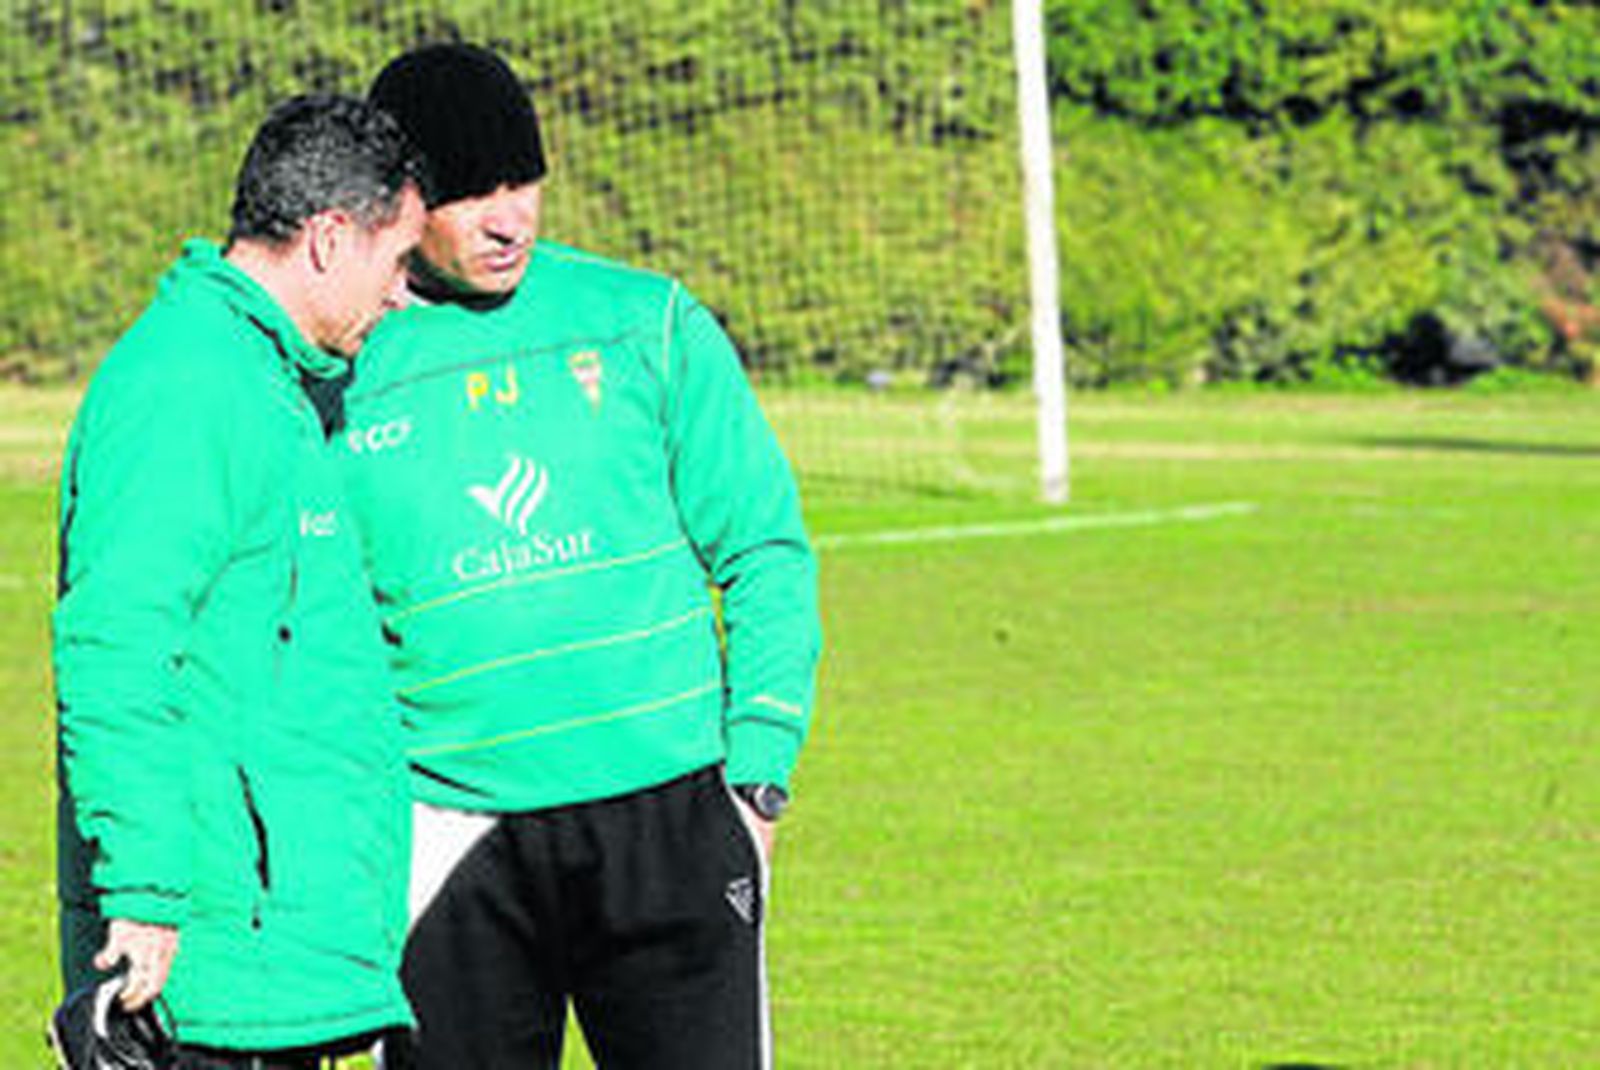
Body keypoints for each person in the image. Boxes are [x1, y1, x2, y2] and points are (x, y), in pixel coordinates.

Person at [340, 43, 823, 1069]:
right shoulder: (341, 360)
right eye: (472, 195)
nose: (508, 217)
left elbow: (765, 548)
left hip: (674, 819)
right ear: (399, 203)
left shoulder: (647, 322)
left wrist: (759, 776)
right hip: (446, 836)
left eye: (523, 181)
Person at [53, 93, 429, 1068]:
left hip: (274, 955)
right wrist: (143, 895)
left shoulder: (271, 382)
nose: (402, 293)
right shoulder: (187, 386)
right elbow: (118, 647)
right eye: (397, 260)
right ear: (329, 237)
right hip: (203, 970)